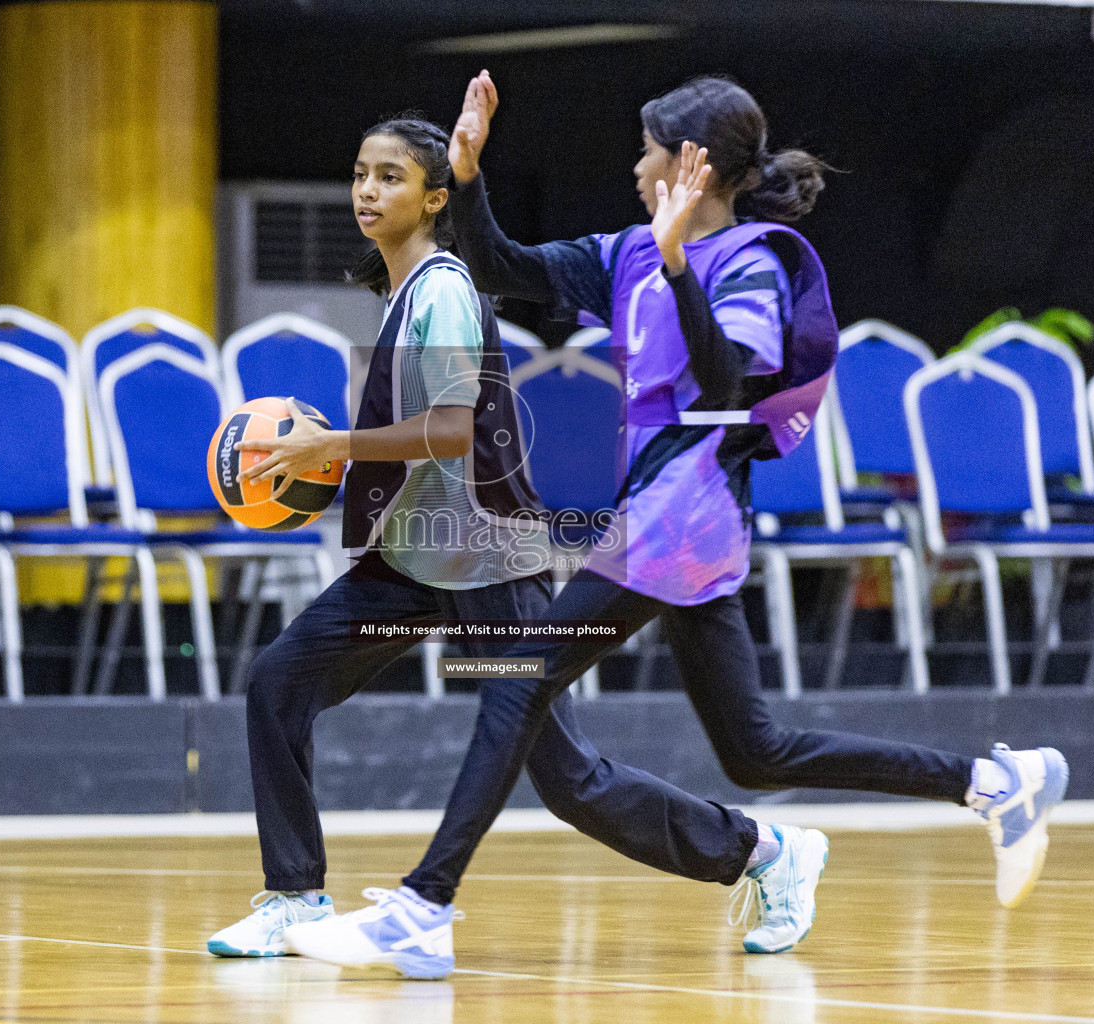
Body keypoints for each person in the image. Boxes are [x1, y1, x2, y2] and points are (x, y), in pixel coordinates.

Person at [284, 74, 1070, 980]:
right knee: (757, 749)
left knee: (513, 679)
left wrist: (679, 266)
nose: (635, 162)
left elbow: (725, 382)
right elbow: (505, 267)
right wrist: (468, 176)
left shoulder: (751, 263)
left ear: (689, 164)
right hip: (679, 524)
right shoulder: (628, 252)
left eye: (649, 146)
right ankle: (993, 783)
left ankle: (423, 908)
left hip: (680, 515)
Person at [205, 114, 833, 962]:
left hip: (487, 560)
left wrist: (332, 449)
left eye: (389, 177)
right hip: (410, 559)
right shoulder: (400, 292)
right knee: (277, 683)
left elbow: (456, 429)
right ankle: (295, 898)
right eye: (360, 173)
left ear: (434, 199)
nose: (365, 189)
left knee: (570, 782)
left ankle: (765, 851)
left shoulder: (446, 288)